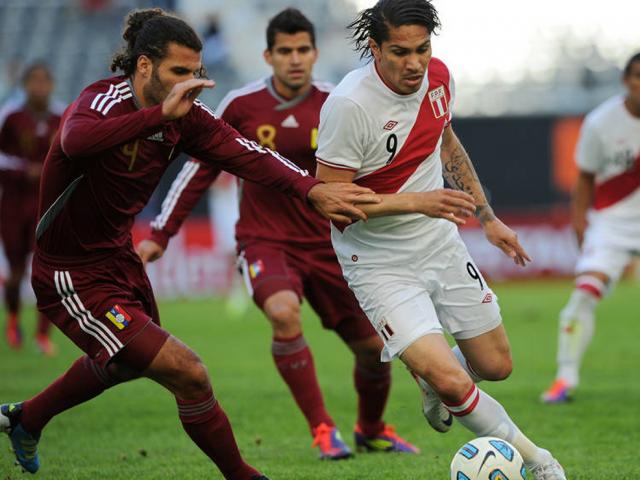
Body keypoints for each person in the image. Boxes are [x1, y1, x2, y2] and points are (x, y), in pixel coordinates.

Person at [0, 8, 377, 479]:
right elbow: (75, 141)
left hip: (118, 261)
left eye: (195, 73)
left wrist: (312, 190)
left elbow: (248, 154)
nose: (191, 83)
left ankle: (26, 418)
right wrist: (159, 115)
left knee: (123, 364)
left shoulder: (187, 118)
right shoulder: (102, 100)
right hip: (70, 272)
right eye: (179, 72)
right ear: (143, 67)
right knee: (189, 371)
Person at [138, 8, 417, 459]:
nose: (294, 59)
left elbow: (375, 170)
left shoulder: (339, 102)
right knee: (284, 314)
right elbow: (200, 170)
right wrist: (161, 233)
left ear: (315, 53)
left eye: (302, 50)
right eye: (284, 51)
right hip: (265, 241)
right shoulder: (241, 105)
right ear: (268, 55)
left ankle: (372, 428)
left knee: (372, 348)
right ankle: (324, 429)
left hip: (331, 245)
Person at [314, 1, 566, 479]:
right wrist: (418, 201)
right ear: (374, 48)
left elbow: (446, 143)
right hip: (377, 261)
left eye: (423, 50)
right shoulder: (348, 106)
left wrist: (489, 218)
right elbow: (329, 200)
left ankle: (431, 379)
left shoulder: (440, 77)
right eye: (400, 52)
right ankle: (540, 462)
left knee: (495, 365)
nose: (414, 63)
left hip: (438, 242)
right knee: (455, 381)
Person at [541, 52, 640, 404]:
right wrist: (580, 221)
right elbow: (584, 178)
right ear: (626, 81)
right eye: (637, 77)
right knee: (583, 295)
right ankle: (564, 380)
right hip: (612, 224)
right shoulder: (601, 122)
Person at [0, 62, 61, 355]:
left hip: (47, 206)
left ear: (51, 85)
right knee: (14, 273)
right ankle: (13, 320)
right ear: (25, 85)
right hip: (13, 204)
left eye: (44, 81)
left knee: (47, 273)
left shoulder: (62, 116)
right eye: (34, 81)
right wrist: (25, 170)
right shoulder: (11, 117)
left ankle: (42, 335)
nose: (39, 87)